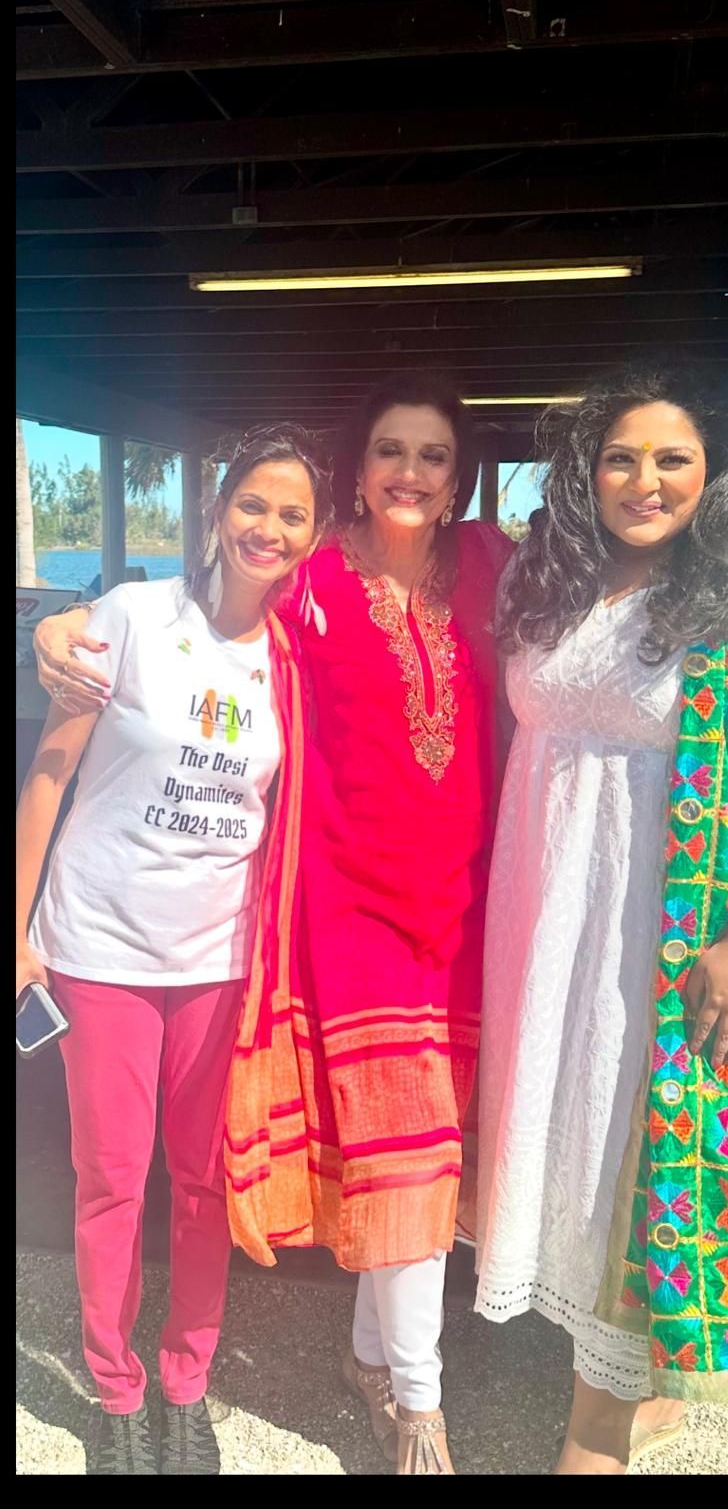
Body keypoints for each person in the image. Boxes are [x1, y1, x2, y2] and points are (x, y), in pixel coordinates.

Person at [33, 375, 514, 1476]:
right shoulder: (239, 599)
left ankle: (238, 1374)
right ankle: (136, 1390)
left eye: (433, 455)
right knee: (125, 1176)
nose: (410, 472)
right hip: (210, 940)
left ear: (460, 476)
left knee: (268, 1176)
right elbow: (66, 752)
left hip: (334, 943)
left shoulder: (446, 578)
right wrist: (59, 621)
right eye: (389, 449)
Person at [473, 368, 728, 1474]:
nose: (646, 479)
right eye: (620, 456)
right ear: (587, 474)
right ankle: (626, 1386)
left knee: (635, 1154)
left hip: (661, 933)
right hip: (542, 925)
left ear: (714, 473)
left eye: (673, 457)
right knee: (568, 1148)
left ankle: (603, 1424)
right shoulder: (554, 581)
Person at [18, 424, 330, 1475]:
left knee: (202, 1183)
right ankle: (114, 1387)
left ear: (312, 535)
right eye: (254, 505)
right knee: (111, 1178)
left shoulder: (294, 655)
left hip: (220, 963)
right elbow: (50, 777)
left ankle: (185, 1380)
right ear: (215, 511)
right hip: (100, 948)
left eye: (293, 515)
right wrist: (16, 935)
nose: (268, 528)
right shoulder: (130, 616)